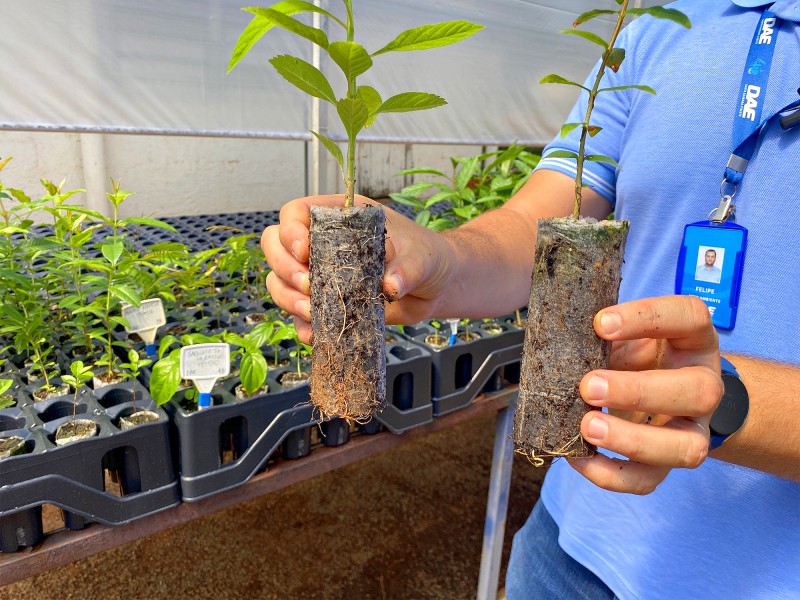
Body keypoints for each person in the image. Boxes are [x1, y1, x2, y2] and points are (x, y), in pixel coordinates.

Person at [262, 0, 800, 597]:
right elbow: (535, 223)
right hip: (568, 541)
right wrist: (442, 258)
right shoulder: (660, 29)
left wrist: (730, 404)